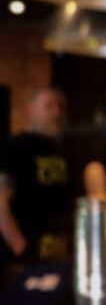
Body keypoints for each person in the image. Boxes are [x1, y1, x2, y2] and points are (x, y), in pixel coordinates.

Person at [0, 87, 72, 272]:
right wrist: (22, 251)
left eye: (59, 107)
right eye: (49, 106)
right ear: (31, 109)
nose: (56, 112)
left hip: (57, 258)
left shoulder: (60, 150)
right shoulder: (16, 147)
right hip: (24, 263)